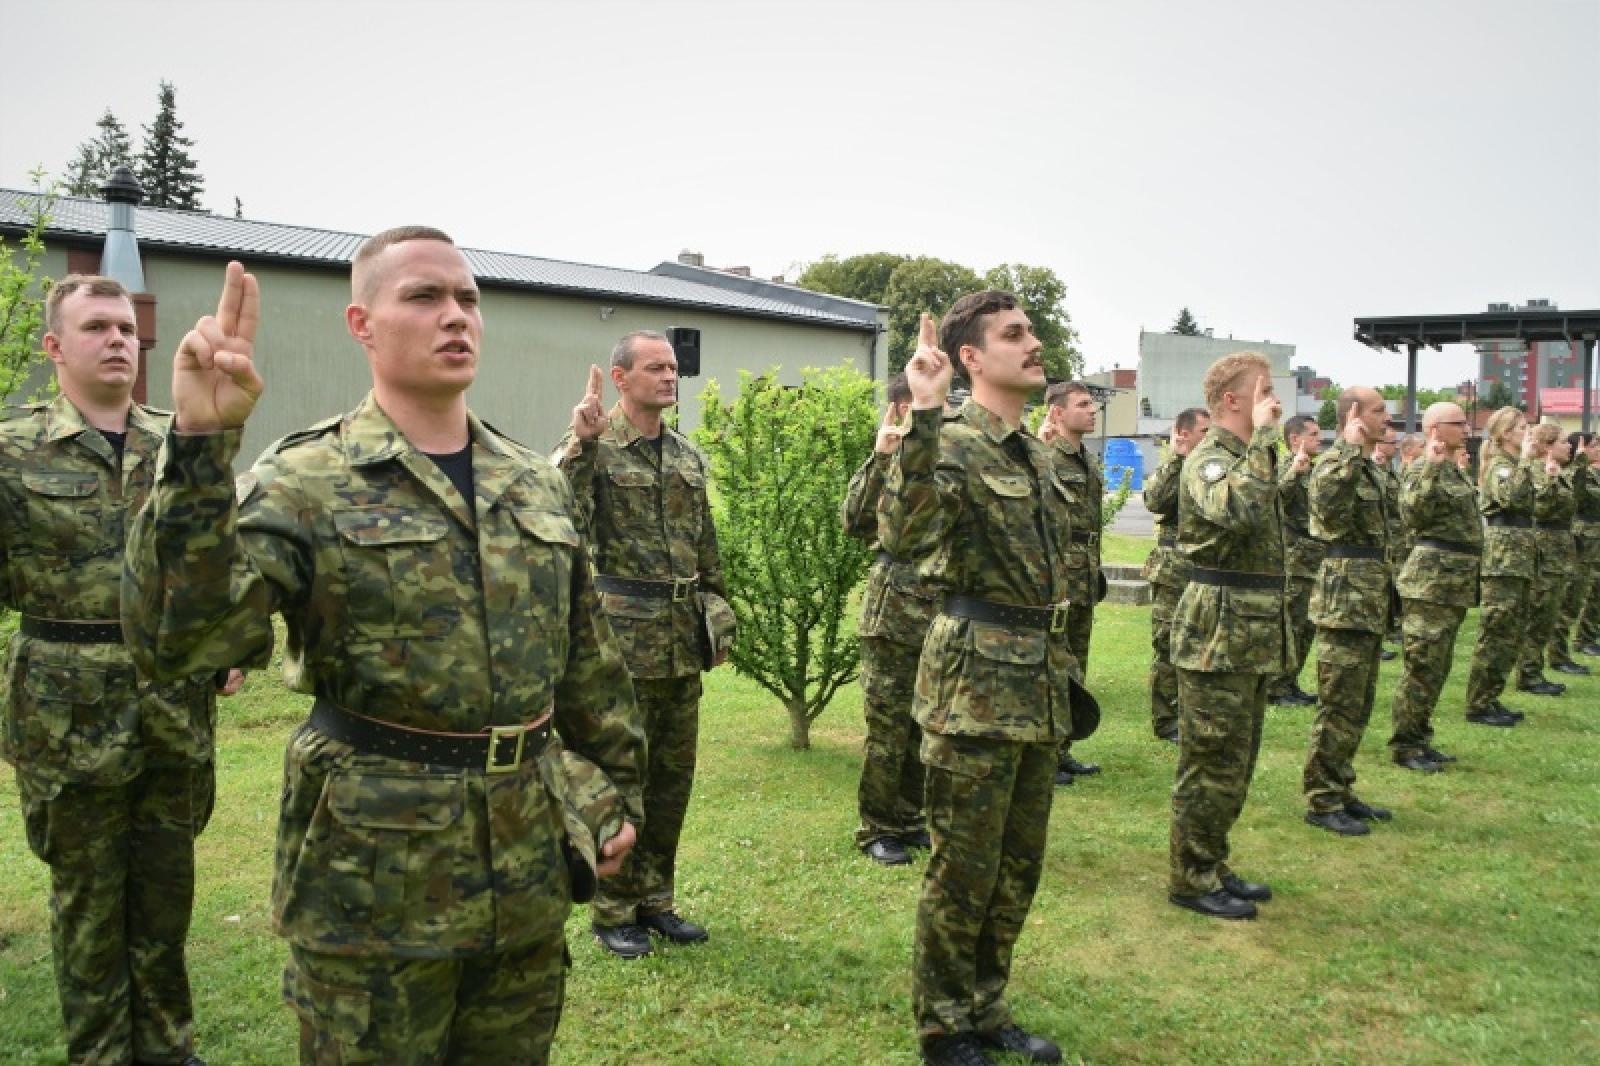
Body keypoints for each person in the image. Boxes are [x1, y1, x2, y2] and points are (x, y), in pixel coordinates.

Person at [121, 231, 646, 1064]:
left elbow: (589, 660)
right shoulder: (305, 478)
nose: (455, 318)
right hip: (372, 881)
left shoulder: (532, 480)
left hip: (523, 865)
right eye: (424, 298)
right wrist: (194, 447)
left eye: (467, 300)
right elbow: (181, 640)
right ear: (362, 324)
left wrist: (615, 791)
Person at [1, 275, 241, 1066]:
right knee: (89, 900)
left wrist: (225, 646)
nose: (117, 339)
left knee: (167, 894)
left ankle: (169, 1047)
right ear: (54, 347)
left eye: (125, 328)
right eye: (96, 325)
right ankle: (100, 1052)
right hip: (64, 710)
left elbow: (214, 560)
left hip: (171, 703)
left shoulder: (183, 439)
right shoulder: (11, 450)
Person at [883, 293, 1087, 1066]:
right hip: (973, 688)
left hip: (1037, 682)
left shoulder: (1035, 453)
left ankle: (987, 1003)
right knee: (962, 867)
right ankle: (943, 1025)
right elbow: (903, 535)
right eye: (1015, 335)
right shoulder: (951, 439)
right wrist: (925, 414)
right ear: (972, 357)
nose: (1033, 344)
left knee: (1016, 866)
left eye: (1031, 331)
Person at [553, 330, 734, 957]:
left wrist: (718, 609)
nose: (669, 377)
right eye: (655, 367)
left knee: (670, 782)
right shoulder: (594, 448)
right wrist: (580, 442)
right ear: (620, 375)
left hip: (680, 644)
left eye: (674, 368)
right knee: (617, 779)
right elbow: (560, 515)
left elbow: (703, 544)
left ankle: (657, 900)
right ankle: (613, 909)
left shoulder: (685, 454)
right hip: (618, 647)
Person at [1168, 351, 1286, 921]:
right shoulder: (1211, 459)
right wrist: (1266, 438)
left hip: (1250, 628)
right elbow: (1237, 510)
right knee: (1210, 759)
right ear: (1232, 401)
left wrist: (1263, 444)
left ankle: (1211, 860)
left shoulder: (1250, 456)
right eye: (1263, 390)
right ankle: (1190, 876)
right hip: (1218, 627)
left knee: (1237, 759)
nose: (1275, 400)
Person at [841, 374, 938, 866]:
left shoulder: (944, 459)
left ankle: (908, 816)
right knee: (889, 729)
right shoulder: (888, 461)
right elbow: (854, 520)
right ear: (900, 408)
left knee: (924, 724)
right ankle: (878, 826)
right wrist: (880, 456)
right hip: (894, 613)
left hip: (941, 612)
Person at [1301, 387, 1396, 837]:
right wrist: (1349, 449)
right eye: (1379, 411)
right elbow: (1326, 509)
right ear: (1355, 415)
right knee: (1338, 703)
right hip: (1344, 601)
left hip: (1369, 599)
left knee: (1358, 703)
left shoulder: (1369, 465)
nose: (1387, 418)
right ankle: (1322, 800)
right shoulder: (1337, 462)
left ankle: (1341, 786)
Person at [1387, 403, 1482, 772]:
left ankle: (1420, 736)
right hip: (1431, 582)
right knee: (1422, 666)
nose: (1467, 430)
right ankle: (1406, 745)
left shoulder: (1455, 470)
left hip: (1452, 582)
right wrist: (1431, 464)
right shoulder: (1422, 467)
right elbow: (1412, 512)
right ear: (1435, 429)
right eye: (1459, 424)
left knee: (1438, 666)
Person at [1040, 381, 1102, 784]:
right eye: (1083, 405)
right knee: (1054, 664)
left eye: (1092, 404)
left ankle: (1063, 750)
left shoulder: (1085, 459)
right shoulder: (1046, 454)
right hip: (1059, 575)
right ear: (1058, 413)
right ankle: (1045, 754)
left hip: (1084, 574)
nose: (1092, 410)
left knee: (1076, 663)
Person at [1464, 407, 1539, 726]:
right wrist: (1526, 460)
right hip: (1503, 560)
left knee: (1511, 632)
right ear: (1506, 434)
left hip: (1518, 557)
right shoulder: (1501, 468)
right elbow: (1509, 498)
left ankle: (1491, 697)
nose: (1528, 433)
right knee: (1496, 631)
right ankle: (1479, 702)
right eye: (1522, 428)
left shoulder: (1515, 466)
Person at [1143, 407, 1208, 743]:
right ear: (1184, 433)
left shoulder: (1212, 467)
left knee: (1199, 646)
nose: (1209, 436)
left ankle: (1191, 714)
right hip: (1174, 571)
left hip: (1204, 572)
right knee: (1168, 646)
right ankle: (1166, 720)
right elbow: (1155, 501)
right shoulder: (1174, 467)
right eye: (1203, 430)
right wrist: (1176, 459)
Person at [1513, 424, 1574, 696]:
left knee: (1548, 614)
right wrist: (1549, 481)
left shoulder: (1558, 473)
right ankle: (1528, 674)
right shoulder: (1538, 472)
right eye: (1562, 442)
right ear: (1548, 446)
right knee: (1538, 615)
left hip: (1558, 553)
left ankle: (1534, 671)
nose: (1569, 446)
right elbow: (1539, 509)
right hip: (1543, 552)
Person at [1269, 414, 1324, 707]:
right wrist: (1295, 472)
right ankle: (1277, 686)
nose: (1320, 439)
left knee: (1307, 625)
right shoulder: (1282, 467)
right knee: (1291, 623)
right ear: (1295, 439)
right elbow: (1273, 499)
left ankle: (1291, 681)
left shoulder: (1315, 470)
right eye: (1313, 434)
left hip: (1314, 556)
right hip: (1294, 557)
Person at [1544, 433, 1593, 677]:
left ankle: (1561, 654)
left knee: (1572, 599)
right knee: (1564, 602)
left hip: (1569, 544)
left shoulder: (1567, 474)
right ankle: (1557, 655)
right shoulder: (1553, 472)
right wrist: (1581, 463)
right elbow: (1579, 499)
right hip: (1562, 543)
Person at [1373, 429, 1405, 661]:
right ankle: (1382, 637)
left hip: (1394, 539)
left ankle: (1389, 632)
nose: (1395, 446)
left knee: (1391, 589)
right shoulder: (1375, 470)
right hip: (1384, 539)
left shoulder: (1390, 472)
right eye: (1391, 442)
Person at [1570, 434, 1600, 657]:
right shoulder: (1581, 474)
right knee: (1586, 589)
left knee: (1596, 591)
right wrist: (1579, 462)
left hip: (1595, 536)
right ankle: (1583, 638)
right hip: (1587, 537)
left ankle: (1589, 634)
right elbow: (1580, 496)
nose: (1598, 449)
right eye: (1593, 445)